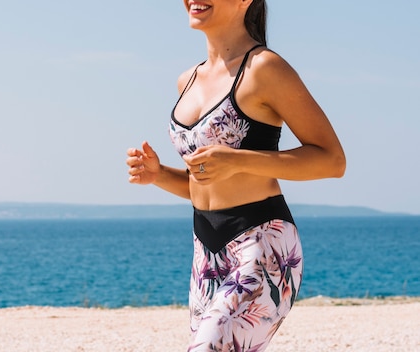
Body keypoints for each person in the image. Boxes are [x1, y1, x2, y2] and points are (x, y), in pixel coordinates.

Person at [125, 1, 346, 351]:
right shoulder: (188, 79)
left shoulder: (264, 68)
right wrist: (159, 174)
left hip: (263, 243)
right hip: (205, 250)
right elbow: (208, 179)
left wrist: (241, 160)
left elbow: (332, 160)